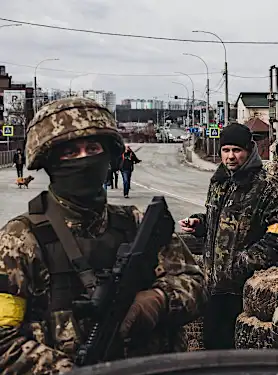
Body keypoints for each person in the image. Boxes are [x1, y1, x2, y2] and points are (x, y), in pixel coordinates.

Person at [0, 97, 209, 374]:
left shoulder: (136, 224)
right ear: (49, 162)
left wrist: (158, 299)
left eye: (93, 148)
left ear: (110, 155)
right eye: (70, 152)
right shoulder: (19, 241)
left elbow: (195, 283)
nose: (84, 159)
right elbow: (4, 342)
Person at [179, 123, 278, 350]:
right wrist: (200, 223)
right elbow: (220, 220)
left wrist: (244, 262)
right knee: (212, 348)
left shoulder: (264, 186)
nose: (230, 156)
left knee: (234, 354)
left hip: (242, 289)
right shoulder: (220, 181)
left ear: (249, 151)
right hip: (214, 285)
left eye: (236, 150)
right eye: (226, 150)